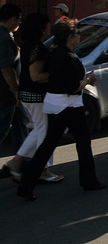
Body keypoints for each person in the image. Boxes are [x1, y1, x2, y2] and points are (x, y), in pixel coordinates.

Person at [17, 19, 105, 201]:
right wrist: (88, 81)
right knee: (82, 142)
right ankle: (89, 180)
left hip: (54, 103)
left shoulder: (55, 53)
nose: (80, 36)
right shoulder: (69, 58)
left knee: (48, 144)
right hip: (69, 105)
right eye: (78, 34)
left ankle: (26, 184)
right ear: (71, 37)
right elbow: (72, 86)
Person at [2, 14, 63, 183]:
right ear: (42, 28)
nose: (49, 27)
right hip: (36, 95)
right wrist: (57, 75)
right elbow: (36, 75)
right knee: (45, 132)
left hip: (29, 94)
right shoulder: (38, 49)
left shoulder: (28, 45)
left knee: (39, 129)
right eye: (47, 25)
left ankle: (16, 162)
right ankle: (42, 169)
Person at [0, 4, 28, 155]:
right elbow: (6, 69)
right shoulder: (4, 38)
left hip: (9, 92)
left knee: (20, 124)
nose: (19, 23)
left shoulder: (6, 36)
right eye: (19, 19)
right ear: (12, 19)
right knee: (3, 129)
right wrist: (15, 90)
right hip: (6, 93)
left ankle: (21, 161)